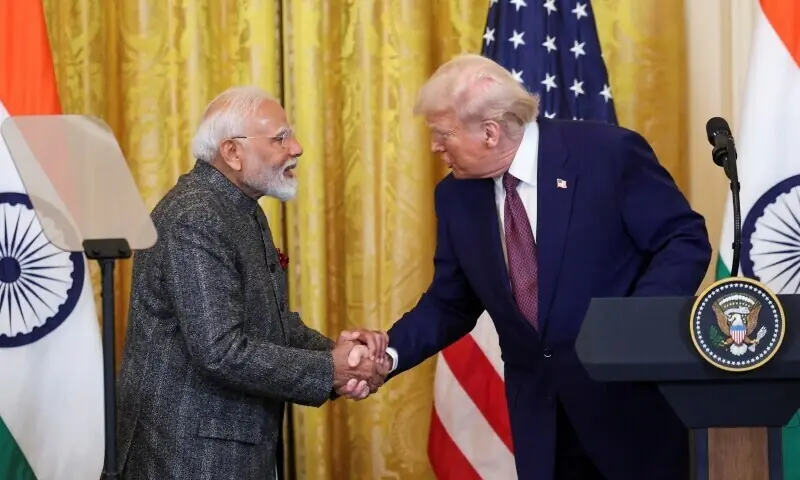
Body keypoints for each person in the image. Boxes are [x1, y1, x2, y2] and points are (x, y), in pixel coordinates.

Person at [381, 55, 712, 479]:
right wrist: (387, 353)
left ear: (489, 132)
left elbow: (681, 239)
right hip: (541, 423)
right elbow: (450, 302)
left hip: (630, 409)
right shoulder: (456, 197)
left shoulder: (607, 155)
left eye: (442, 134)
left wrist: (636, 322)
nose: (434, 147)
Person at [116, 86, 389, 480]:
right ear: (232, 152)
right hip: (188, 459)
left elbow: (273, 323)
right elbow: (220, 350)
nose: (296, 148)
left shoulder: (239, 208)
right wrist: (330, 370)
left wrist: (341, 355)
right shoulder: (195, 216)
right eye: (280, 138)